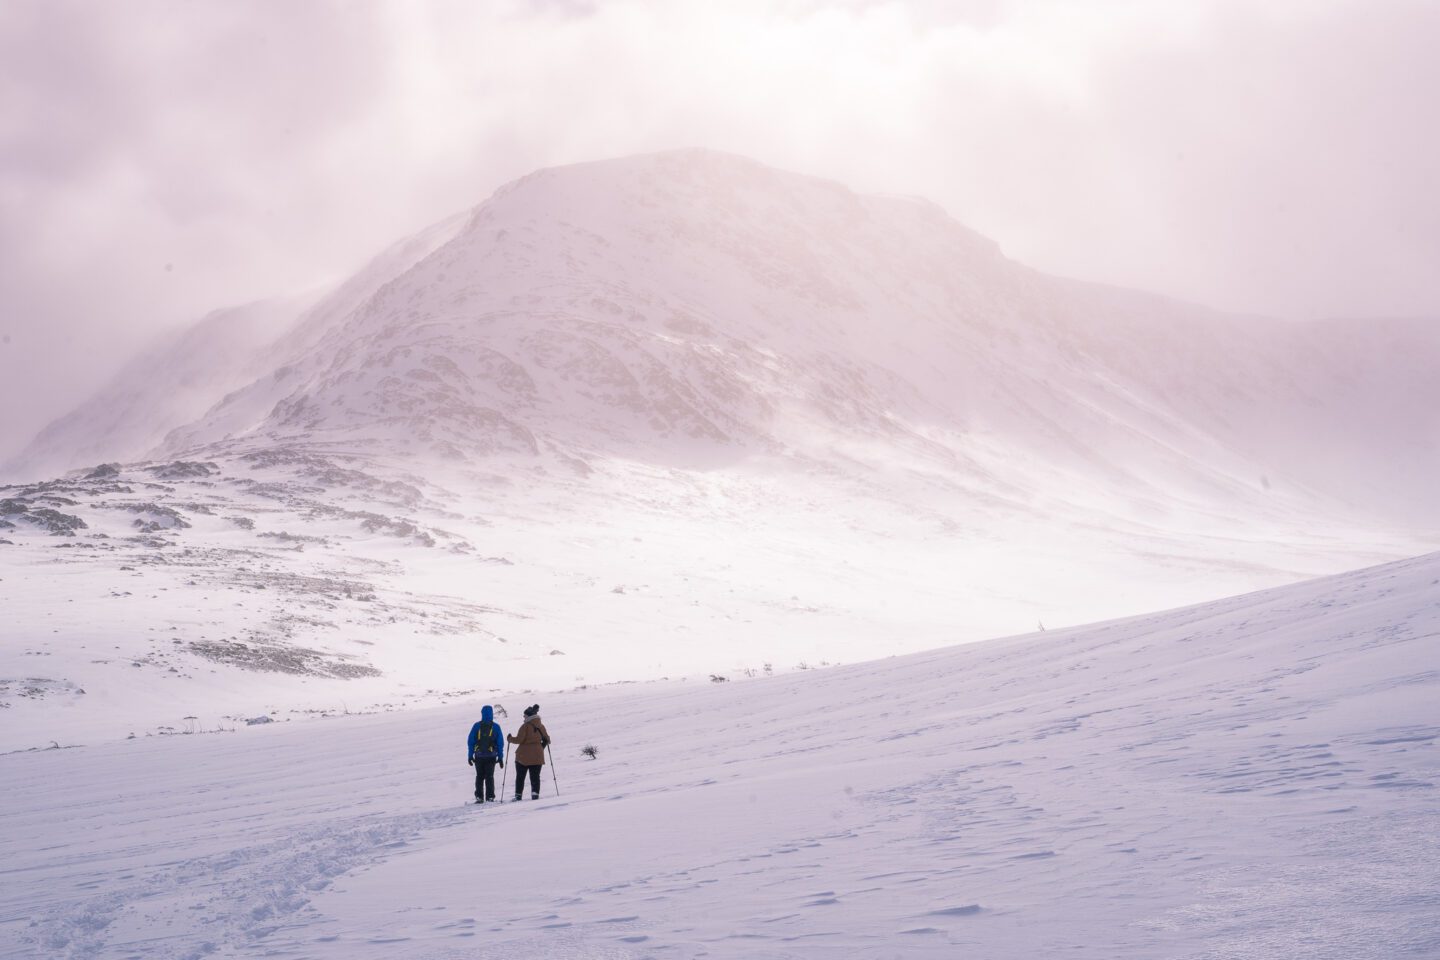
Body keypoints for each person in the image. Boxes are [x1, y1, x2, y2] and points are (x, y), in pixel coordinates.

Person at [506, 703, 550, 800]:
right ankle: (535, 794)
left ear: (529, 716)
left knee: (520, 777)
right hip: (538, 755)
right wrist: (541, 746)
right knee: (535, 777)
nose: (523, 717)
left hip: (523, 757)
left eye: (524, 715)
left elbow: (519, 740)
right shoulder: (541, 726)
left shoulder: (525, 726)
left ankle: (518, 795)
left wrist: (509, 739)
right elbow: (548, 739)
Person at [466, 705, 505, 803]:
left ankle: (479, 797)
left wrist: (470, 756)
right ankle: (490, 797)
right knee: (489, 777)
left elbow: (471, 741)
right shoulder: (496, 727)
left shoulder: (477, 726)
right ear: (491, 714)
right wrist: (500, 757)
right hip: (491, 757)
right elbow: (500, 743)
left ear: (482, 713)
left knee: (479, 777)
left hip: (479, 756)